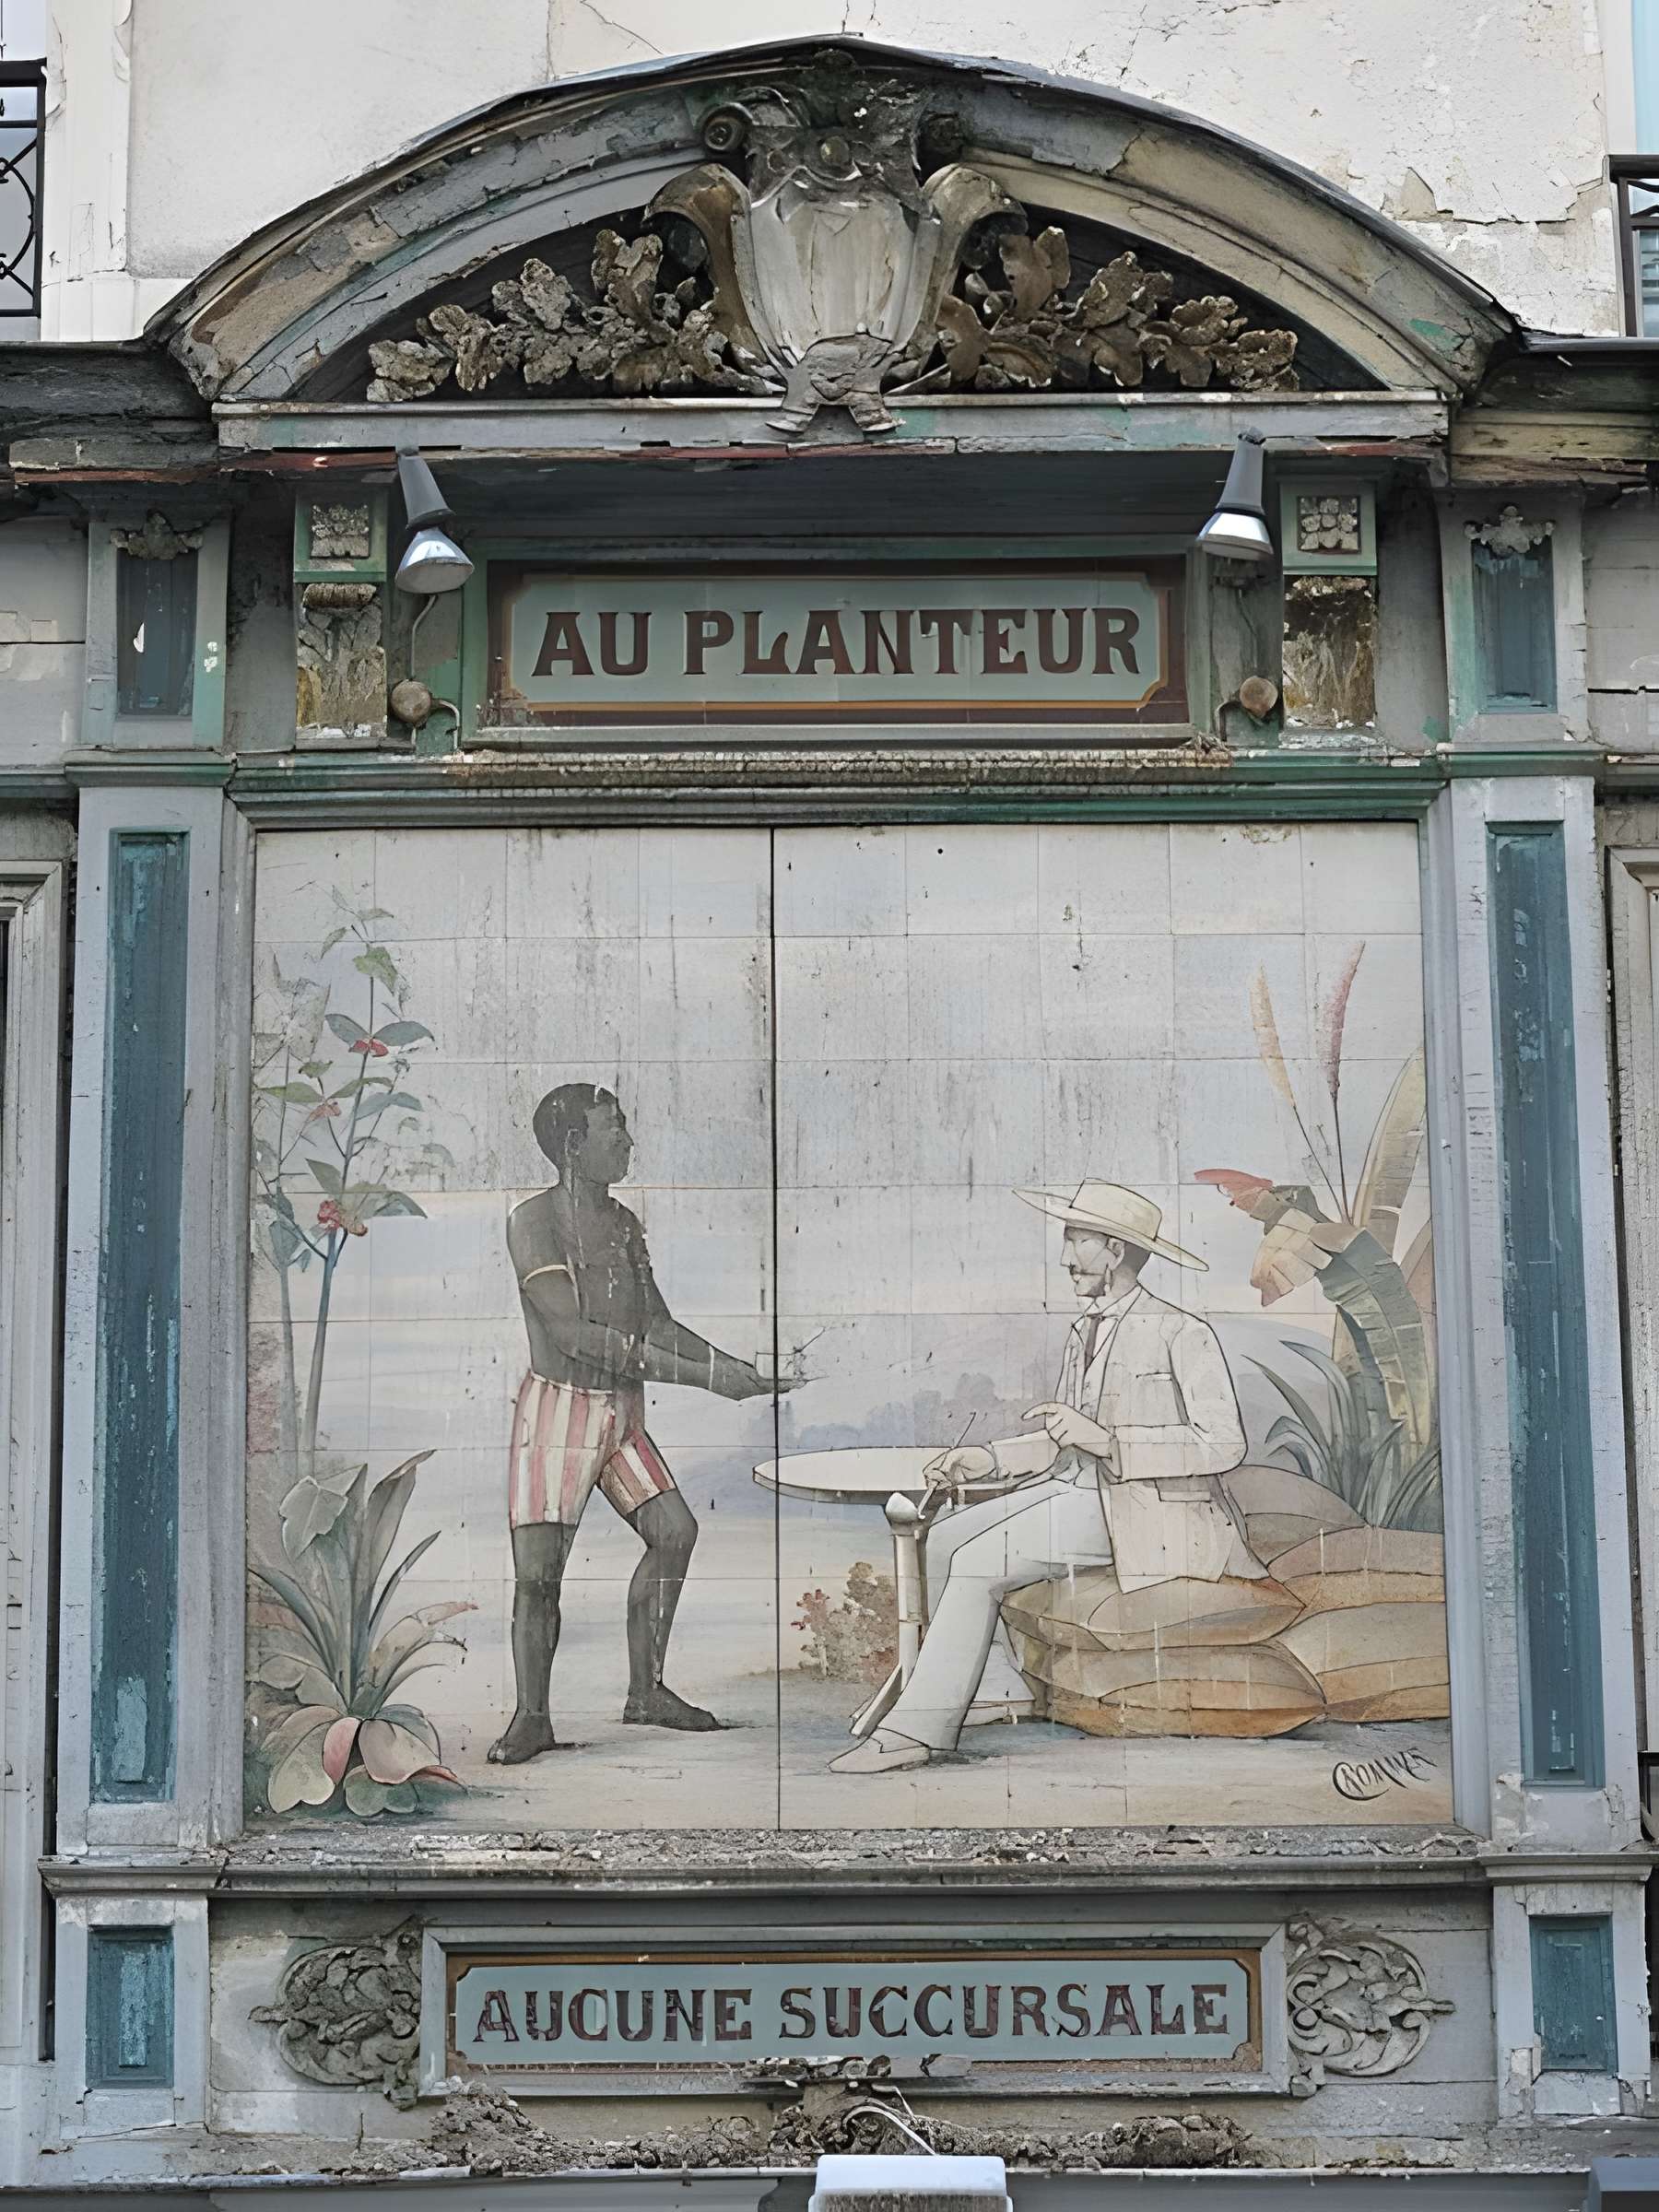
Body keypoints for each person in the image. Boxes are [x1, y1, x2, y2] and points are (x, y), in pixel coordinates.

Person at [830, 1179, 1258, 1774]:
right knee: (944, 1537)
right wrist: (988, 1459)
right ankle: (997, 1689)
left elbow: (1223, 1444)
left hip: (1147, 1509)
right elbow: (1063, 1434)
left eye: (1077, 1240)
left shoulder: (1182, 1332)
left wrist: (1109, 1442)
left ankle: (916, 1733)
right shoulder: (1085, 1330)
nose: (1064, 1257)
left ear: (1115, 1251)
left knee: (980, 1561)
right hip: (1080, 1491)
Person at [490, 1083, 784, 1764]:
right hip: (560, 1412)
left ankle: (645, 1690)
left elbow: (653, 1320)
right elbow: (573, 1334)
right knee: (539, 1574)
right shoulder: (533, 1221)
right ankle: (531, 1717)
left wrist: (734, 1369)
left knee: (674, 1531)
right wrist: (707, 1376)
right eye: (612, 1128)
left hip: (621, 1412)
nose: (627, 1140)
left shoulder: (623, 1223)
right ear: (573, 1145)